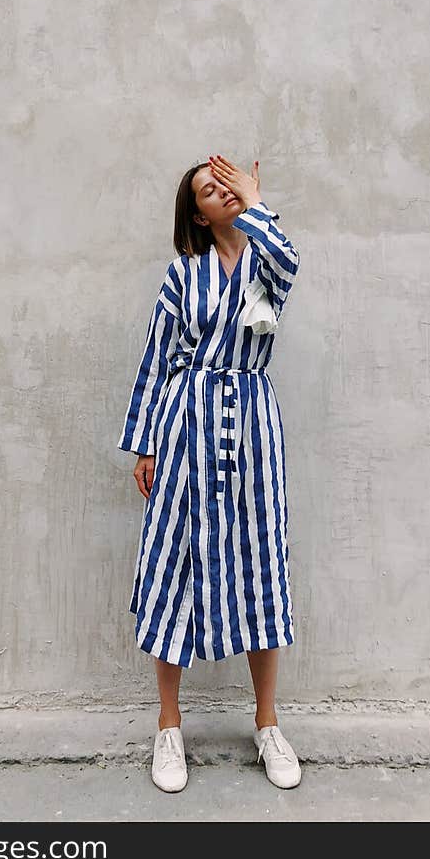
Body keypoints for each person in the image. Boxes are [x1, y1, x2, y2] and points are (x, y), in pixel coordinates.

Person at [117, 154, 302, 792]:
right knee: (174, 561)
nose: (221, 191)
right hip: (185, 422)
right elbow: (156, 356)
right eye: (209, 189)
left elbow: (292, 263)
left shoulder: (264, 258)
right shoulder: (182, 274)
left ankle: (268, 723)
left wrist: (255, 202)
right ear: (196, 211)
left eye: (227, 182)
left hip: (253, 426)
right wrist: (145, 445)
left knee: (260, 559)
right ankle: (169, 726)